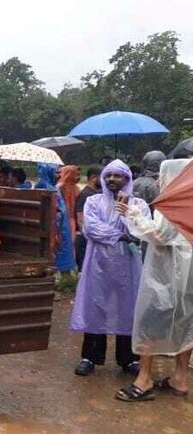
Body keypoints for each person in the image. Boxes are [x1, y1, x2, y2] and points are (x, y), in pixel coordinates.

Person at [115, 158, 193, 402]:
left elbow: (159, 235)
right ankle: (179, 378)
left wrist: (133, 214)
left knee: (150, 319)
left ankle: (145, 378)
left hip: (167, 273)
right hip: (189, 274)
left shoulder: (173, 205)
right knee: (186, 322)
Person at [70, 159, 149, 376]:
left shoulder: (138, 205)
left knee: (128, 308)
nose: (112, 179)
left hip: (128, 266)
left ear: (127, 179)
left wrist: (127, 214)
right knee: (96, 306)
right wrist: (121, 234)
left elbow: (141, 231)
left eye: (117, 175)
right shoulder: (93, 201)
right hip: (98, 264)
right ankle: (90, 357)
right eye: (108, 175)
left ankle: (128, 359)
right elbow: (91, 229)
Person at [35, 163, 75, 274]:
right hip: (55, 227)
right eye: (56, 172)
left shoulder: (53, 186)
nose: (59, 175)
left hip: (61, 225)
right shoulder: (44, 186)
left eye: (59, 172)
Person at [74, 166, 102, 269]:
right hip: (85, 239)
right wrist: (88, 236)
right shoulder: (85, 195)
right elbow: (80, 218)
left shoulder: (96, 194)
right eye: (103, 177)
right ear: (94, 177)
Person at [57, 166, 81, 236]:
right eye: (77, 174)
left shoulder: (76, 188)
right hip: (63, 218)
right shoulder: (60, 187)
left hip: (72, 218)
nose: (78, 177)